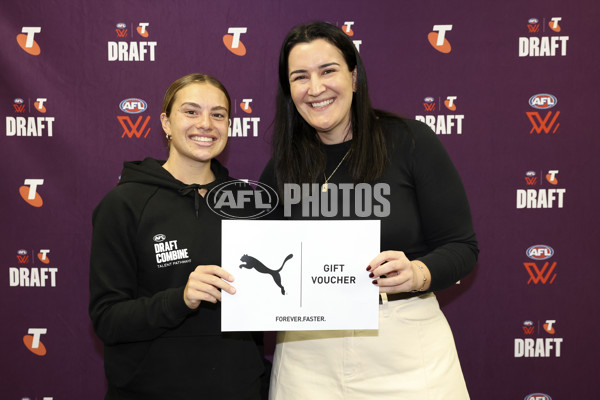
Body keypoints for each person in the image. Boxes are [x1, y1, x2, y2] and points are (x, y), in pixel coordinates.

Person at [259, 22, 479, 399]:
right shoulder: (282, 165)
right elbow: (259, 265)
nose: (315, 88)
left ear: (354, 76)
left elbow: (462, 247)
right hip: (307, 358)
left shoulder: (410, 142)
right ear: (288, 90)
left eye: (328, 71)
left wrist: (417, 272)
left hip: (405, 347)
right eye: (300, 77)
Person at [89, 73, 264, 399]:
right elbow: (107, 319)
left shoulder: (250, 203)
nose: (206, 124)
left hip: (237, 388)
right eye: (191, 111)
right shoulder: (124, 203)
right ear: (166, 123)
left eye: (218, 114)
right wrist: (180, 298)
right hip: (150, 389)